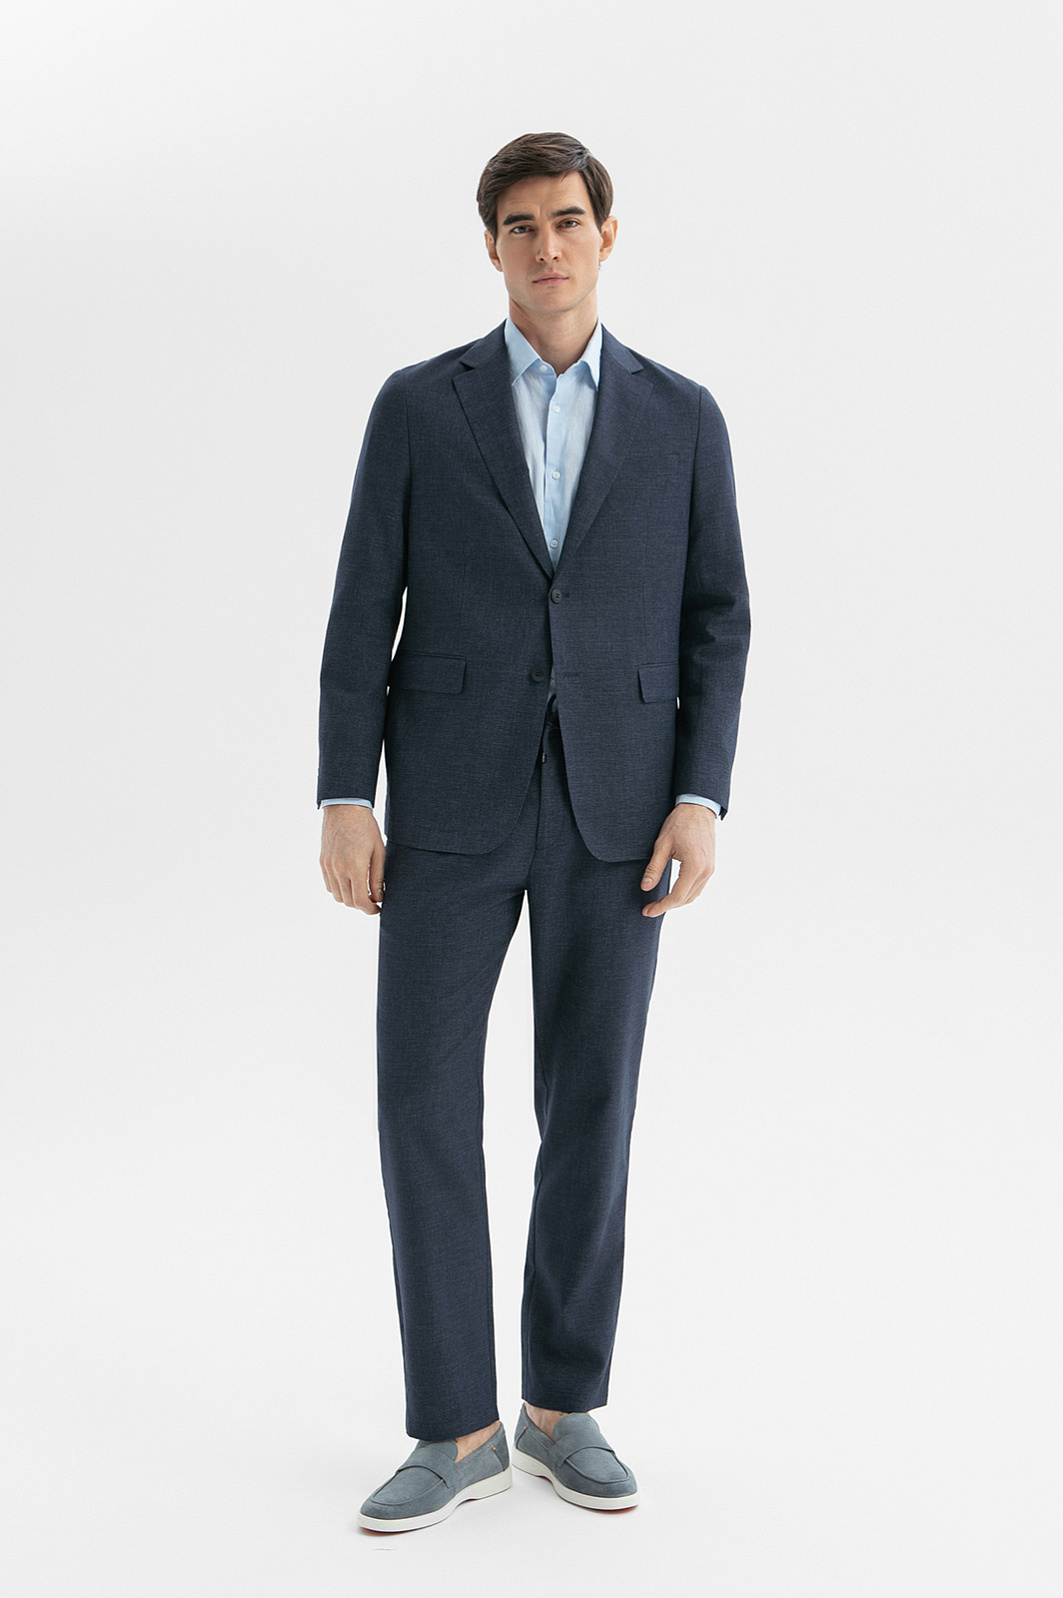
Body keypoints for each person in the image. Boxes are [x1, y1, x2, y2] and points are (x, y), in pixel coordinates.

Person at [317, 130, 751, 1533]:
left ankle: (565, 1406)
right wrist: (344, 792)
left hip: (620, 812)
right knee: (419, 1099)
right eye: (521, 225)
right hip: (446, 805)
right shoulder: (416, 406)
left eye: (568, 220)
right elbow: (360, 610)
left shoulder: (684, 418)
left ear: (606, 235)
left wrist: (701, 794)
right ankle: (458, 1423)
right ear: (492, 247)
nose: (547, 245)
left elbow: (718, 621)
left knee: (593, 1103)